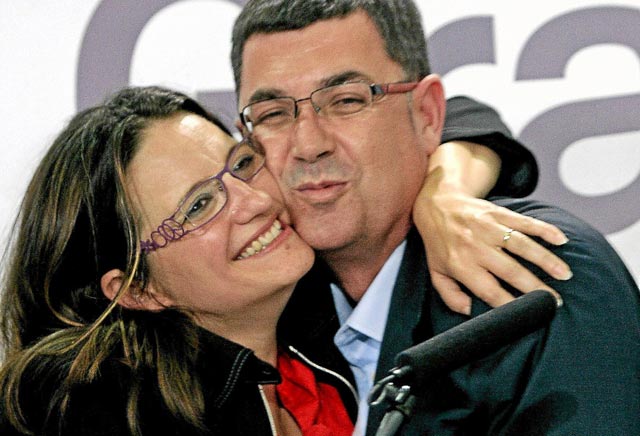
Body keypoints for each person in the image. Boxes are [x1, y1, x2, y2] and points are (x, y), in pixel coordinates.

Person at [231, 1, 640, 434]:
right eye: (273, 114)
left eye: (347, 101)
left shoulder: (528, 278)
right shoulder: (267, 307)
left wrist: (446, 185)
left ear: (427, 115)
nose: (308, 145)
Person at [0, 86, 355, 435]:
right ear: (137, 289)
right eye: (198, 205)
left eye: (242, 163)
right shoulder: (95, 416)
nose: (257, 201)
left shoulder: (336, 350)